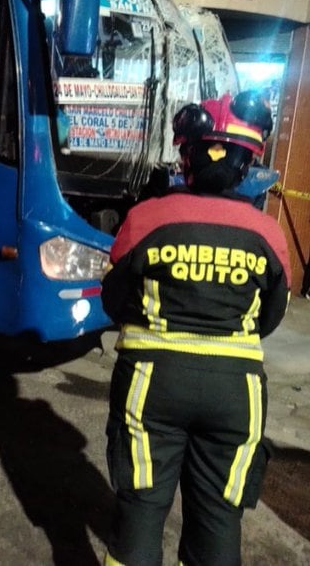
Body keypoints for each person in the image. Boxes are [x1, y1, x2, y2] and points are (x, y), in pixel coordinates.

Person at [100, 91, 291, 566]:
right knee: (219, 519)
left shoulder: (145, 219)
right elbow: (271, 317)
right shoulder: (268, 233)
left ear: (185, 156)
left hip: (152, 383)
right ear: (249, 162)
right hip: (235, 392)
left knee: (141, 510)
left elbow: (114, 300)